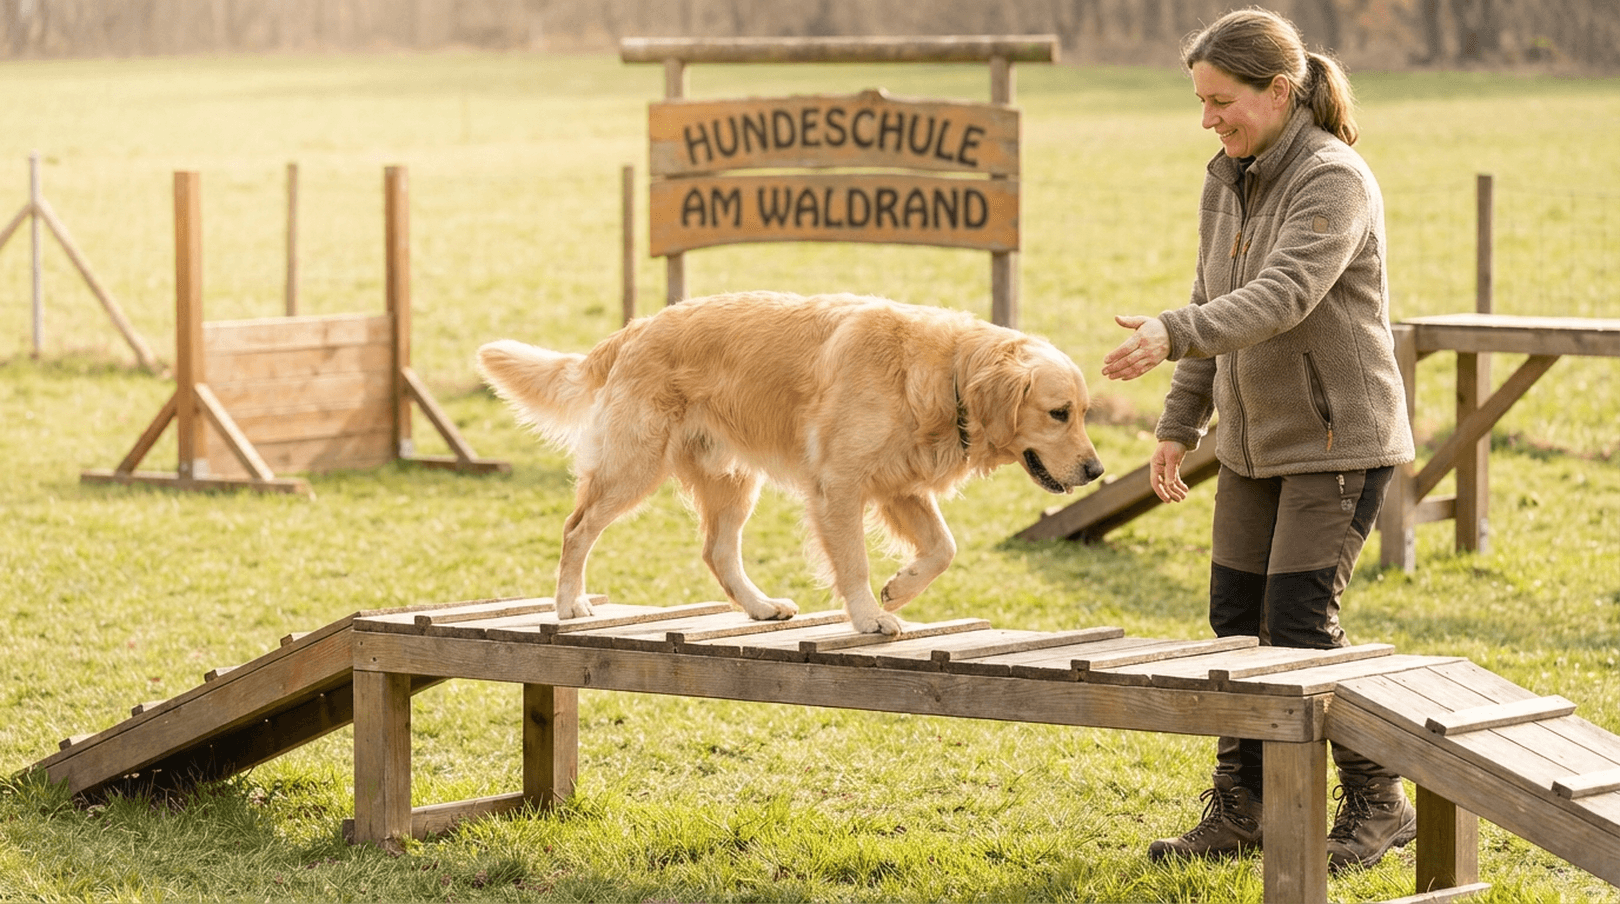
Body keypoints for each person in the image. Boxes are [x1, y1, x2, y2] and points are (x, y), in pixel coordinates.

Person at [1101, 8, 1418, 872]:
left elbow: (1282, 296)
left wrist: (1171, 332)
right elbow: (1214, 296)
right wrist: (1177, 424)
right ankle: (1239, 809)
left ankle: (1382, 804)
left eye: (1221, 101)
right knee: (1236, 626)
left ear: (1279, 93)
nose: (1208, 119)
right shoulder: (1228, 176)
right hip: (1249, 445)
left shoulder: (1334, 178)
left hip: (1337, 442)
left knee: (1299, 627)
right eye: (1201, 102)